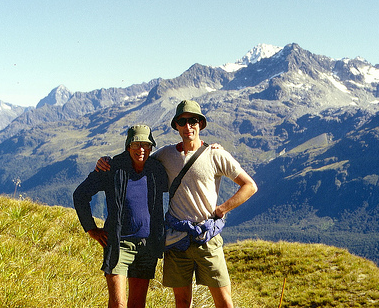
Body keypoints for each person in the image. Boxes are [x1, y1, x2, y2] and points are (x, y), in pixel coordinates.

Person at [96, 100, 258, 308]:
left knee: (224, 302)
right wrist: (107, 161)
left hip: (206, 238)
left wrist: (221, 210)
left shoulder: (216, 154)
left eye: (193, 121)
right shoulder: (165, 154)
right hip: (176, 240)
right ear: (177, 126)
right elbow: (137, 159)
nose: (188, 126)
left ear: (201, 124)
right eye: (183, 121)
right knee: (182, 302)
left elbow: (249, 186)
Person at [73, 124, 168, 308]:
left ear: (151, 147)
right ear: (128, 146)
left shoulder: (156, 170)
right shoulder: (112, 167)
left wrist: (210, 150)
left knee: (138, 304)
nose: (141, 149)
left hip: (147, 246)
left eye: (146, 145)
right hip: (118, 245)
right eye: (136, 145)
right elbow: (80, 194)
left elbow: (182, 168)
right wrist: (91, 229)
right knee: (118, 304)